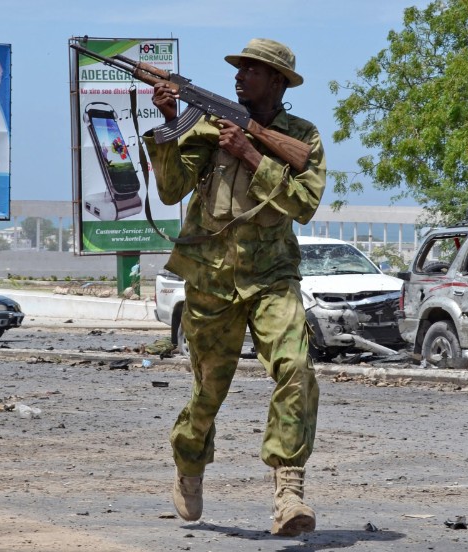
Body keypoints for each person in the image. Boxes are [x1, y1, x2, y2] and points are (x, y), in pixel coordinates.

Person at [144, 38, 326, 536]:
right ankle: (189, 460)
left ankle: (289, 489)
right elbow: (170, 189)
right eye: (239, 68)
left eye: (251, 70)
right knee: (209, 390)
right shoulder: (205, 125)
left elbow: (303, 204)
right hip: (211, 278)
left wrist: (250, 152)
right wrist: (167, 123)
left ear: (277, 81)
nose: (239, 76)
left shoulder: (302, 136)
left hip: (272, 276)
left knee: (295, 367)